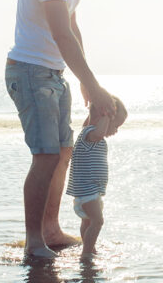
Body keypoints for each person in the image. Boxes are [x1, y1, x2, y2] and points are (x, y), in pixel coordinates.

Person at [5, 0, 122, 258]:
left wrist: (86, 81)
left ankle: (51, 230)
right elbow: (61, 35)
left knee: (63, 153)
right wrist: (94, 86)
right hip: (30, 71)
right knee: (45, 156)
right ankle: (34, 242)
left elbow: (73, 27)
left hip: (53, 74)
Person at [66, 97, 127, 259]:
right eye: (115, 125)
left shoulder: (88, 132)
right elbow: (100, 131)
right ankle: (86, 254)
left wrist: (104, 112)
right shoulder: (91, 135)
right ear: (103, 117)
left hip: (88, 193)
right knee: (97, 222)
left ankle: (89, 248)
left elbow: (95, 123)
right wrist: (108, 114)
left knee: (87, 222)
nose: (115, 130)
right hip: (87, 193)